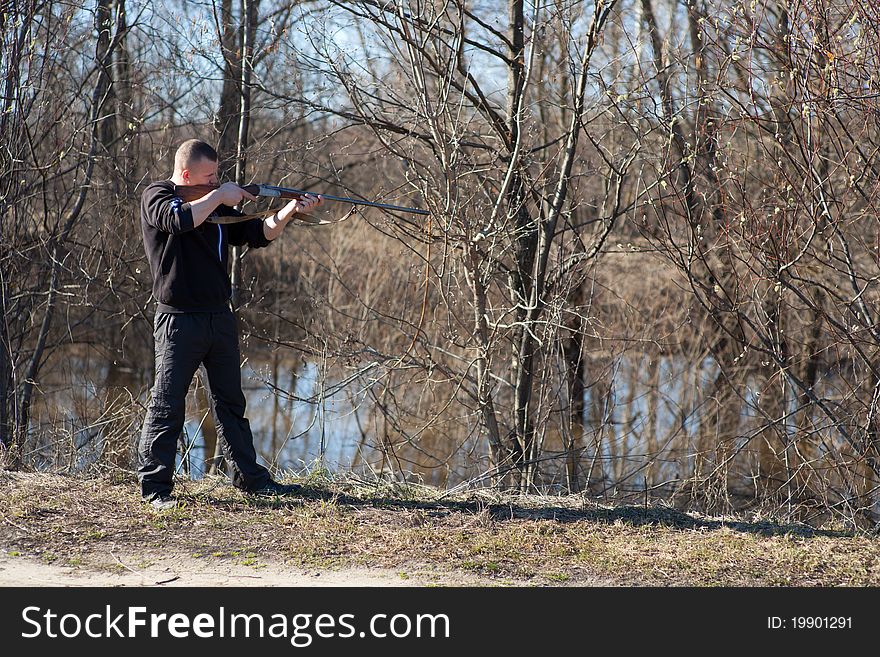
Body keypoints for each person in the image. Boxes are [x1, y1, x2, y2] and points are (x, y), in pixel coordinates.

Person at [137, 139, 322, 510]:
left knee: (230, 403)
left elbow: (256, 234)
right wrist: (219, 195)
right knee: (167, 403)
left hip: (219, 317)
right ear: (186, 174)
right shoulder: (158, 195)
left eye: (217, 176)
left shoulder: (216, 205)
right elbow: (178, 219)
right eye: (209, 177)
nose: (216, 181)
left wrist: (288, 210)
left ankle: (251, 480)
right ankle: (155, 489)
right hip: (178, 320)